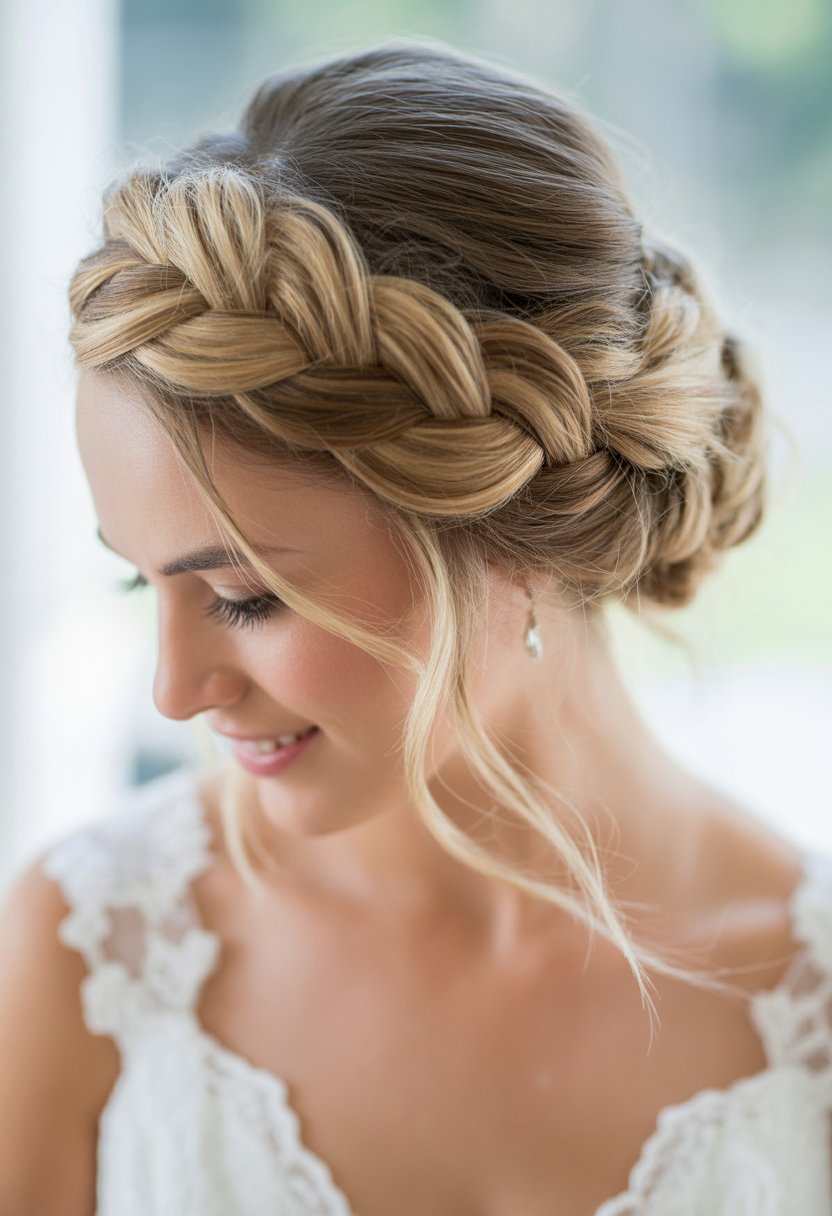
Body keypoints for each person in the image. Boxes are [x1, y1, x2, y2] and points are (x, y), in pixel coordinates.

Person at [0, 38, 828, 1216]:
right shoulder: (90, 957)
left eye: (243, 597)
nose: (174, 693)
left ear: (513, 531)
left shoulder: (812, 1012)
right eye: (145, 587)